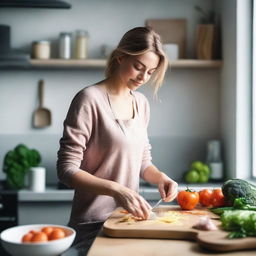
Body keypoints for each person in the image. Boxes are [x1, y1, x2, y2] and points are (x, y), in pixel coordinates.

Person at [57, 26, 178, 251]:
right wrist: (117, 189)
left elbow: (142, 161)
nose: (143, 77)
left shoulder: (141, 103)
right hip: (92, 224)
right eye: (138, 67)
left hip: (127, 221)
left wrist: (160, 177)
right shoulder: (89, 99)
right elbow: (66, 170)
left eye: (150, 72)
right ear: (120, 57)